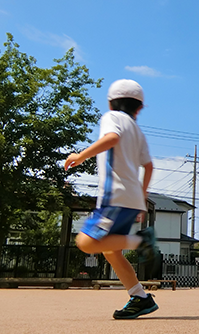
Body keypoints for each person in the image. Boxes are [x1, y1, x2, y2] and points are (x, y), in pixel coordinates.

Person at [64, 79, 157, 319]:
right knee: (111, 250)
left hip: (114, 196)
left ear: (111, 102)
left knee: (85, 242)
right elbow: (148, 166)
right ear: (139, 109)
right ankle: (140, 297)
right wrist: (142, 198)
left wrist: (81, 155)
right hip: (131, 198)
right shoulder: (138, 131)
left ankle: (140, 242)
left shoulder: (112, 117)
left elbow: (112, 138)